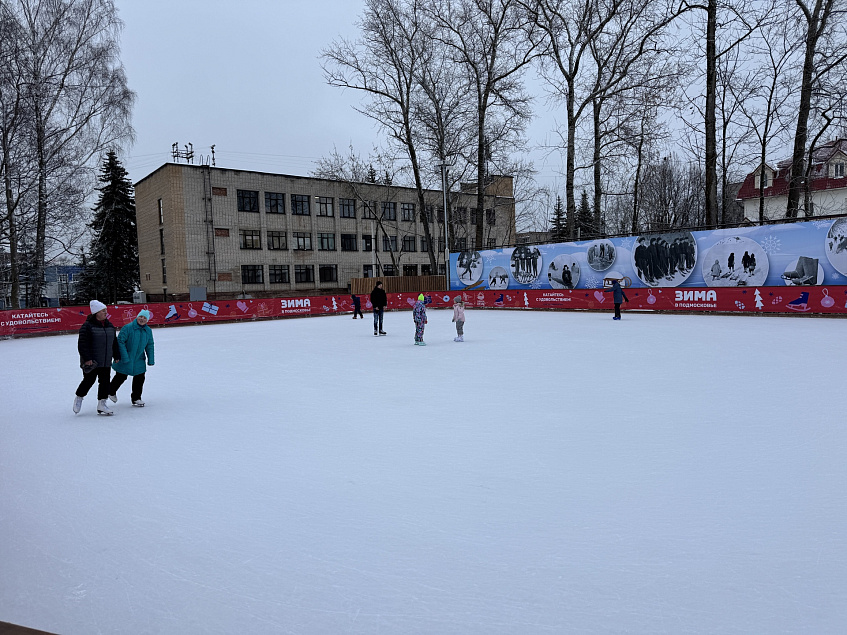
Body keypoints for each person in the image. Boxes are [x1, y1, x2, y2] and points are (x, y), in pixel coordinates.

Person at [73, 300, 118, 415]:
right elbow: (82, 344)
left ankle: (102, 404)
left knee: (105, 382)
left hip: (106, 360)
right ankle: (79, 397)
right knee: (89, 381)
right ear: (96, 312)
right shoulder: (87, 326)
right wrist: (87, 358)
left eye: (106, 310)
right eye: (103, 311)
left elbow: (114, 342)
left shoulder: (109, 325)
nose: (105, 313)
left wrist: (116, 355)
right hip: (92, 361)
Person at [109, 309, 155, 407]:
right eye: (141, 316)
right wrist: (125, 357)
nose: (142, 319)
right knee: (121, 376)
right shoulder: (128, 328)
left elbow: (150, 345)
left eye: (145, 318)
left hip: (139, 358)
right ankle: (111, 391)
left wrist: (151, 359)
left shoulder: (148, 330)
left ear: (147, 320)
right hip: (126, 357)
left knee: (140, 377)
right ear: (137, 317)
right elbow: (120, 342)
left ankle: (136, 398)